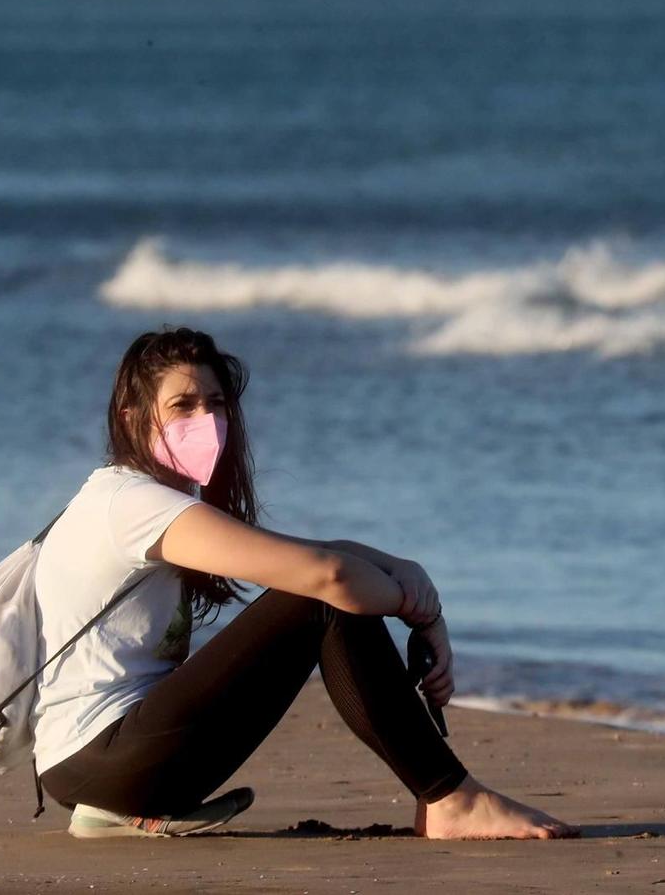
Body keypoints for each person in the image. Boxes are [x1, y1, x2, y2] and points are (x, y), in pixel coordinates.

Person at [31, 325, 580, 841]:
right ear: (132, 421)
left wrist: (406, 576)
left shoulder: (129, 497)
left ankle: (446, 797)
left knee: (322, 588)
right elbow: (327, 577)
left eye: (217, 403)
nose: (207, 419)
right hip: (107, 760)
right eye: (183, 405)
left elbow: (311, 557)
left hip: (93, 766)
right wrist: (410, 607)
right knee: (324, 600)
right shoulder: (135, 505)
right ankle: (449, 798)